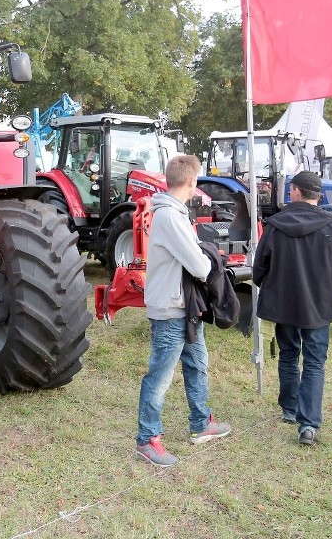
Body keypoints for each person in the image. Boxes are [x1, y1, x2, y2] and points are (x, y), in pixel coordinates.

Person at [135, 154, 232, 467]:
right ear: (191, 181)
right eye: (197, 180)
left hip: (186, 307)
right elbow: (201, 266)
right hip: (171, 310)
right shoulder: (170, 218)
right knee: (160, 378)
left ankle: (201, 423)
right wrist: (210, 256)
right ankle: (147, 440)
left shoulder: (175, 213)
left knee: (197, 363)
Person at [252, 170, 332, 446]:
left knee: (289, 354)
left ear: (296, 191)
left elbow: (259, 267)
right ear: (318, 195)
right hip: (318, 306)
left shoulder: (275, 225)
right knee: (314, 362)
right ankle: (307, 423)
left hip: (284, 302)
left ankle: (290, 408)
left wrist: (265, 282)